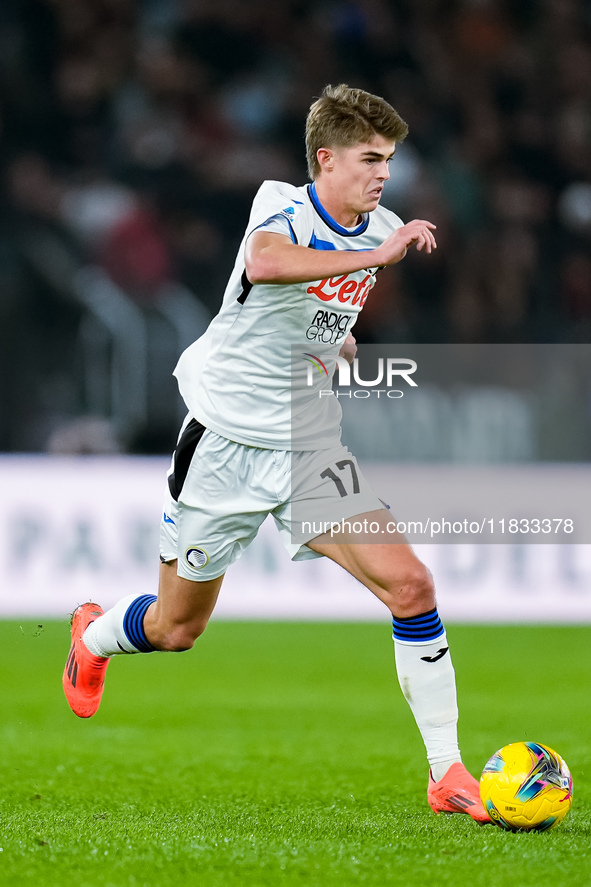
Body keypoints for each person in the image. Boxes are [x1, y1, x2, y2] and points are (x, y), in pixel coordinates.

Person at [63, 84, 489, 824]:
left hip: (308, 446)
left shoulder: (379, 224)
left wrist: (337, 340)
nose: (382, 174)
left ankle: (445, 770)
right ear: (324, 159)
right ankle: (94, 635)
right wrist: (373, 253)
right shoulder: (280, 207)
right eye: (367, 158)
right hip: (224, 441)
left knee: (411, 586)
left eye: (388, 159)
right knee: (177, 628)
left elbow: (322, 315)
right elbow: (264, 265)